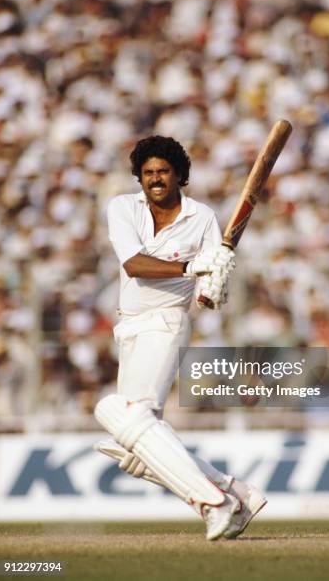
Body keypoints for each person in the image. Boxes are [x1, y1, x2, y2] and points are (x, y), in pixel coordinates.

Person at [94, 136, 266, 540]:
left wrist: (215, 280)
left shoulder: (202, 217)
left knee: (127, 416)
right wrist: (193, 267)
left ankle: (213, 503)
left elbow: (208, 294)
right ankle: (235, 491)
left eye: (163, 172)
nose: (155, 179)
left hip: (167, 321)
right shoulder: (121, 207)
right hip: (130, 324)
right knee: (132, 438)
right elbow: (134, 264)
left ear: (178, 175)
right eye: (148, 172)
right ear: (139, 176)